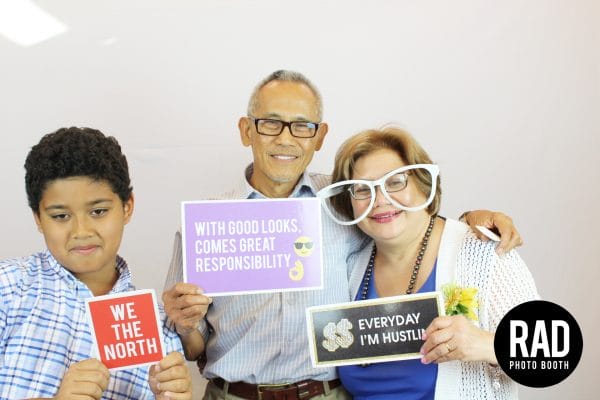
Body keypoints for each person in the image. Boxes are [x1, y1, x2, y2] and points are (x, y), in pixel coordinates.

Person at [162, 70, 523, 400]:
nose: (286, 138)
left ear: (319, 137)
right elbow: (192, 348)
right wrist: (185, 325)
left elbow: (406, 218)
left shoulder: (343, 201)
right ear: (246, 130)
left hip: (326, 393)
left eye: (302, 126)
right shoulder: (205, 225)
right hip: (232, 394)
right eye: (271, 123)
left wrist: (471, 222)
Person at [316, 126, 539, 399]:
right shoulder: (351, 266)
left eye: (395, 182)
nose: (380, 200)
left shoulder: (482, 252)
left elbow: (554, 354)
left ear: (424, 184)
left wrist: (485, 345)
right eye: (362, 189)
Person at [0, 127, 192, 400]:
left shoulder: (161, 328)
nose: (81, 231)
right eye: (60, 216)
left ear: (127, 207)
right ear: (38, 218)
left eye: (98, 211)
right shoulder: (7, 288)